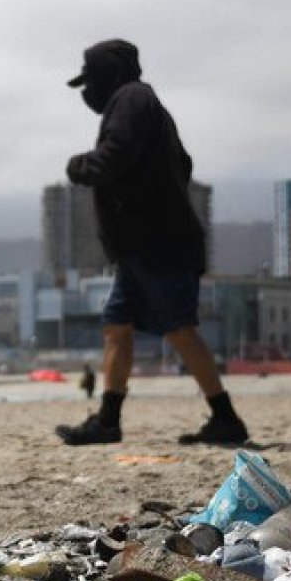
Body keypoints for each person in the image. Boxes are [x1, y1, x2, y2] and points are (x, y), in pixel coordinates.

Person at [54, 38, 250, 447]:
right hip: (143, 246)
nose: (88, 91)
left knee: (178, 329)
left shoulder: (131, 99)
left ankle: (226, 417)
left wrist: (81, 167)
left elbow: (116, 154)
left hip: (158, 245)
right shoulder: (144, 105)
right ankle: (108, 421)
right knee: (117, 327)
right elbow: (184, 163)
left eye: (91, 80)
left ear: (108, 74)